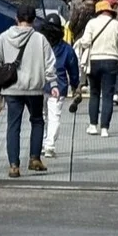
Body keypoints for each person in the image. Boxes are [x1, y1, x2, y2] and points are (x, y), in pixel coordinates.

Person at [0, 5, 56, 178]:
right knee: (37, 121)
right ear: (34, 20)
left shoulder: (4, 37)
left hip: (11, 89)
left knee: (13, 126)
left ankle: (13, 166)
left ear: (16, 19)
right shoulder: (40, 39)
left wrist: (3, 67)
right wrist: (53, 83)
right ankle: (34, 159)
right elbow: (50, 64)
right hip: (34, 88)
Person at [75, 0, 118, 137]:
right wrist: (117, 58)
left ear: (98, 11)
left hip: (94, 60)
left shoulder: (92, 23)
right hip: (111, 60)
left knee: (94, 93)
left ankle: (92, 125)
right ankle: (105, 128)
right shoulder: (117, 25)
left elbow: (85, 42)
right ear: (110, 11)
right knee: (108, 95)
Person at [40, 14, 80, 158]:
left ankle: (42, 142)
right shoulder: (66, 48)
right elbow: (73, 70)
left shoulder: (39, 45)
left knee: (41, 116)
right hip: (59, 85)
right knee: (54, 116)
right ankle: (50, 145)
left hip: (39, 84)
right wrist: (75, 85)